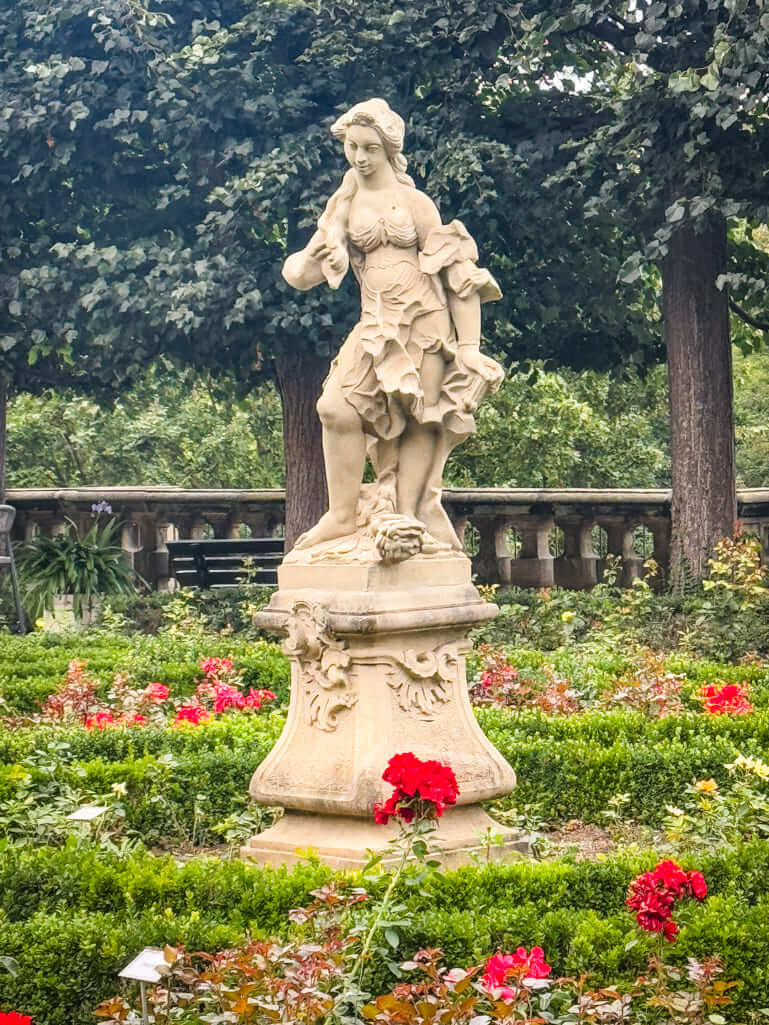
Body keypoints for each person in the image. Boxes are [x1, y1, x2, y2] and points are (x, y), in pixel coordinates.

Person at [282, 98, 503, 559]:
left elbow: (457, 273)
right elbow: (300, 276)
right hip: (377, 328)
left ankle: (408, 517)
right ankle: (343, 514)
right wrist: (312, 260)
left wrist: (468, 348)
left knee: (423, 418)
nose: (360, 157)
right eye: (352, 147)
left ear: (389, 151)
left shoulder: (414, 203)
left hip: (426, 324)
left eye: (370, 149)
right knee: (335, 409)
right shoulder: (342, 206)